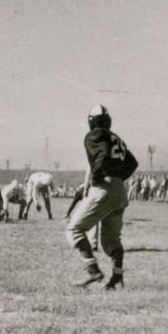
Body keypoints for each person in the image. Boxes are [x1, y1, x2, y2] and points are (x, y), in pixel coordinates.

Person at [66, 105, 138, 289]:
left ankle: (93, 271)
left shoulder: (95, 135)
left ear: (92, 120)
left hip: (104, 188)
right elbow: (132, 163)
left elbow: (102, 154)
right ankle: (117, 277)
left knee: (74, 230)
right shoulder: (116, 137)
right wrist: (117, 178)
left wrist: (98, 176)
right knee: (111, 240)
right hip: (119, 191)